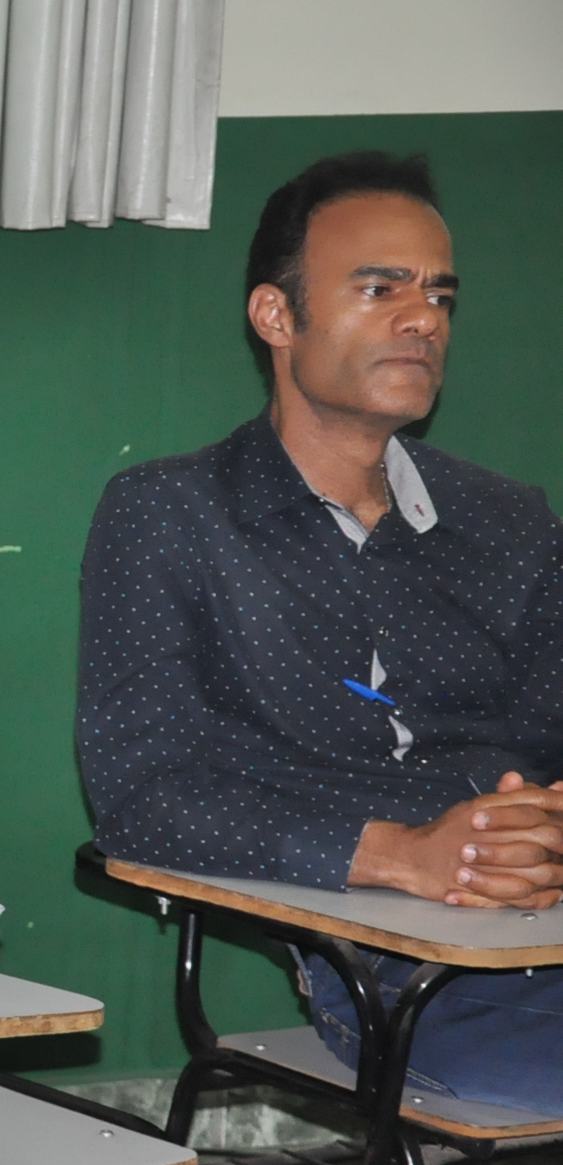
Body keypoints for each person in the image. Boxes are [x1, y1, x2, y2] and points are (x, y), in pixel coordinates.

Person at [76, 152, 563, 1116]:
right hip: (392, 968)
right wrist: (404, 854)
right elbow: (141, 797)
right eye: (381, 289)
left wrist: (540, 832)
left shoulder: (509, 520)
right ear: (276, 316)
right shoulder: (173, 515)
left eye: (439, 294)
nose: (423, 319)